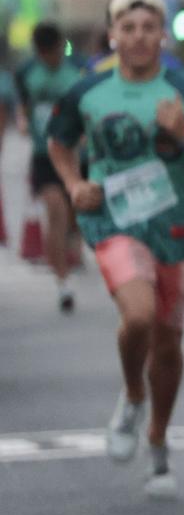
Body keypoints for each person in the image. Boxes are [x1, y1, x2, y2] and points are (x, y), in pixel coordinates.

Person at [45, 0, 184, 498]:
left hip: (176, 227)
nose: (137, 37)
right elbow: (58, 142)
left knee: (170, 342)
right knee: (138, 316)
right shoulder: (87, 92)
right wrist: (74, 184)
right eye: (126, 29)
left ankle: (157, 441)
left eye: (148, 28)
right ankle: (133, 396)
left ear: (162, 35)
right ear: (111, 35)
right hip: (113, 220)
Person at [12, 22, 86, 312]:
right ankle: (62, 282)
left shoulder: (76, 70)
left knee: (74, 216)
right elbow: (23, 107)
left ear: (60, 47)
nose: (49, 58)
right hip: (44, 156)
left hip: (75, 156)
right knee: (54, 212)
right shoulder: (26, 73)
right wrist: (22, 120)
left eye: (52, 52)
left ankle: (74, 242)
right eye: (43, 54)